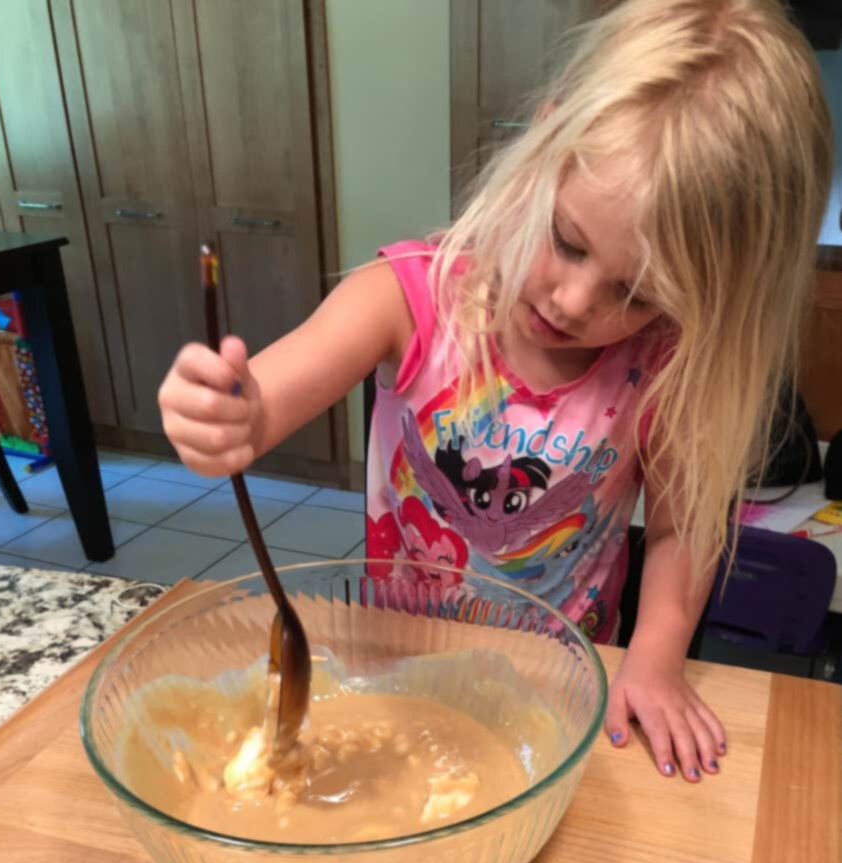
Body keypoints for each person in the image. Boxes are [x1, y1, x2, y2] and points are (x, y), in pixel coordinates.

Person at [158, 0, 832, 782]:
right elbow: (260, 406)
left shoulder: (663, 364)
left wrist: (655, 660)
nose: (576, 302)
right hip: (397, 668)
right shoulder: (405, 297)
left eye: (637, 292)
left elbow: (683, 528)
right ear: (542, 149)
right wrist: (221, 417)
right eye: (567, 241)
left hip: (554, 688)